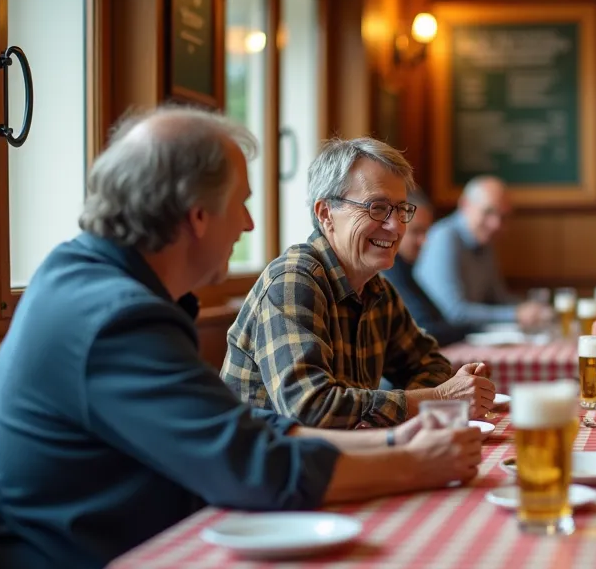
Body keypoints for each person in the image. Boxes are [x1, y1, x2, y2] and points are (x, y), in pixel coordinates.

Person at [0, 107, 482, 569]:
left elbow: (247, 431)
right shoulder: (113, 318)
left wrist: (394, 440)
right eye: (240, 203)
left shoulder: (88, 283)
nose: (248, 222)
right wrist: (411, 462)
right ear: (197, 216)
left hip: (143, 554)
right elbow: (254, 466)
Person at [222, 138, 496, 428]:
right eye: (377, 208)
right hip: (265, 468)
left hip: (337, 461)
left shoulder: (378, 290)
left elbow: (431, 364)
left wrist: (396, 411)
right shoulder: (293, 281)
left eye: (401, 209)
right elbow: (311, 407)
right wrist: (434, 399)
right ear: (326, 213)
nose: (395, 226)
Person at [413, 175, 550, 326]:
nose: (496, 224)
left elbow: (499, 298)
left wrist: (531, 308)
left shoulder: (484, 241)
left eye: (503, 217)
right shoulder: (444, 237)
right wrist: (516, 314)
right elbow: (455, 313)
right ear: (465, 205)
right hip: (441, 342)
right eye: (488, 212)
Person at [382, 188, 477, 346]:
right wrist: (470, 329)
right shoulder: (388, 269)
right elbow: (426, 330)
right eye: (416, 232)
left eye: (426, 232)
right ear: (394, 228)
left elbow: (440, 320)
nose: (425, 241)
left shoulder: (405, 268)